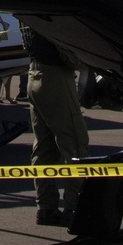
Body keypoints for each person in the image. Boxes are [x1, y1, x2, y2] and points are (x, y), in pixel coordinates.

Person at [22, 24, 87, 226]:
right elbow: (65, 48)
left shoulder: (27, 12)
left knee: (43, 147)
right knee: (74, 143)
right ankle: (74, 206)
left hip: (34, 74)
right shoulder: (46, 12)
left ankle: (46, 206)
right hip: (56, 75)